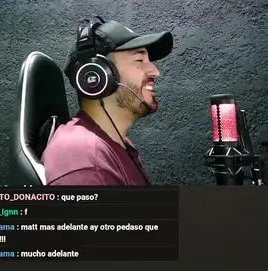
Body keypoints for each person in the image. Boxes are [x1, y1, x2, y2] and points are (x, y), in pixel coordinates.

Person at [42, 19, 172, 186]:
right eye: (140, 60)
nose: (155, 71)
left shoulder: (116, 145)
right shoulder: (86, 160)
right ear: (96, 76)